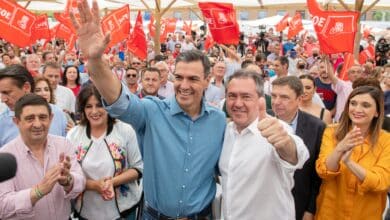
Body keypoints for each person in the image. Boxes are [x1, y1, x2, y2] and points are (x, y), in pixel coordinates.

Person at [70, 2, 226, 218]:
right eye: (179, 77)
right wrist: (95, 61)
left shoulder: (218, 121)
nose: (184, 85)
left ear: (208, 81)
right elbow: (120, 100)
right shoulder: (152, 111)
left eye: (193, 79)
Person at [220, 70, 309, 219]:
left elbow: (296, 155)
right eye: (232, 96)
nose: (238, 103)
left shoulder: (276, 129)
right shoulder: (227, 131)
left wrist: (286, 143)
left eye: (246, 97)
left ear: (260, 100)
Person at [0, 94, 85, 219]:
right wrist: (38, 191)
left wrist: (68, 180)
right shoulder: (5, 156)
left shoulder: (63, 145)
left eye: (43, 117)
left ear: (51, 118)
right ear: (17, 122)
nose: (38, 124)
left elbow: (81, 182)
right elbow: (2, 207)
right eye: (30, 118)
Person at [67, 85, 143, 220]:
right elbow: (69, 176)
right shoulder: (73, 135)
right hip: (85, 212)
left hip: (124, 211)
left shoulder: (125, 130)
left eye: (99, 105)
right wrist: (93, 185)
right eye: (88, 106)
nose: (94, 111)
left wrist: (112, 182)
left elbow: (138, 168)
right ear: (83, 110)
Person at [315, 86, 390, 219]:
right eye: (353, 103)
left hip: (365, 214)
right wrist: (339, 149)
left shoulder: (386, 140)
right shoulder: (332, 132)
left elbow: (381, 182)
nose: (357, 109)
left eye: (365, 105)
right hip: (331, 212)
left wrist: (349, 162)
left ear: (377, 112)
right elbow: (323, 171)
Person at [270, 76, 326, 220]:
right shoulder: (260, 121)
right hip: (266, 203)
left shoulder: (317, 127)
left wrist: (310, 209)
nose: (276, 102)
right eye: (274, 96)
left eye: (284, 97)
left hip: (298, 204)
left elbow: (317, 174)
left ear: (299, 99)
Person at [0, 65, 67, 147]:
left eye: (7, 93)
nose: (3, 100)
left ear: (26, 87)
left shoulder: (57, 113)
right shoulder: (2, 123)